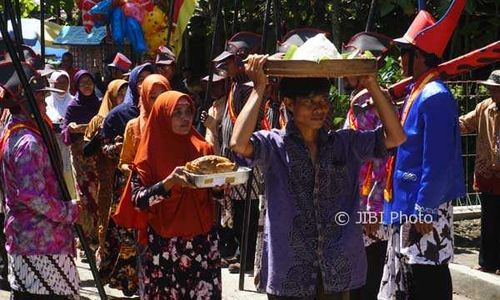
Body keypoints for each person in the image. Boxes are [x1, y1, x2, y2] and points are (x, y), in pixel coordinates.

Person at [231, 55, 406, 299]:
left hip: (335, 271)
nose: (319, 108)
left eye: (323, 100)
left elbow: (396, 137)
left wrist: (371, 85)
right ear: (289, 104)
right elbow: (238, 144)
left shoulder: (345, 143)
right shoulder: (274, 145)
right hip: (290, 271)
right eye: (309, 101)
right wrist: (259, 87)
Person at [378, 1, 466, 299]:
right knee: (411, 276)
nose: (400, 58)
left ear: (419, 56)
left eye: (405, 52)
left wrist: (424, 209)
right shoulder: (419, 90)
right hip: (409, 203)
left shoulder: (435, 95)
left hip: (424, 206)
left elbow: (437, 162)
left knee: (428, 275)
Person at [114, 91, 223, 299]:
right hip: (164, 247)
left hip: (202, 243)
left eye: (188, 112)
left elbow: (216, 196)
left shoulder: (203, 149)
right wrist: (168, 183)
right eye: (177, 113)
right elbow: (138, 200)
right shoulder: (149, 155)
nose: (185, 118)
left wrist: (219, 186)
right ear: (162, 116)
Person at [0, 61, 81, 299]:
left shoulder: (21, 133)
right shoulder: (28, 143)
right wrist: (70, 211)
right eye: (40, 97)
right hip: (40, 244)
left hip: (36, 242)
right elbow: (32, 196)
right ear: (26, 104)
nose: (45, 102)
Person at [97, 74, 170, 295]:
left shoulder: (174, 124)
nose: (156, 101)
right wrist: (141, 174)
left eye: (162, 96)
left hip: (168, 199)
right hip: (141, 196)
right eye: (152, 96)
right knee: (140, 247)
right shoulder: (133, 125)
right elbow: (124, 163)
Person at [342, 32, 394, 300]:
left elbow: (381, 158)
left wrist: (372, 210)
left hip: (369, 206)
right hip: (359, 202)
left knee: (366, 276)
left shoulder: (369, 102)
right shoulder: (363, 100)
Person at [213, 32, 263, 273]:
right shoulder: (235, 86)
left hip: (247, 159)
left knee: (248, 210)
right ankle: (240, 251)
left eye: (229, 62)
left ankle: (247, 256)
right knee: (236, 208)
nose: (225, 67)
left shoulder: (248, 89)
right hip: (233, 159)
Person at [459, 69, 500, 275]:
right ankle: (487, 262)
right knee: (489, 219)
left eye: (497, 90)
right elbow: (464, 123)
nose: (493, 94)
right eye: (491, 90)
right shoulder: (484, 107)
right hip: (488, 173)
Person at [84, 79, 127, 260]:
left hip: (125, 177)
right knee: (105, 215)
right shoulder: (99, 120)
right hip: (106, 177)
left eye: (127, 94)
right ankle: (103, 255)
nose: (124, 98)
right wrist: (102, 137)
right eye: (120, 95)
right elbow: (86, 150)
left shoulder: (130, 116)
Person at [62, 70, 101, 250]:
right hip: (81, 161)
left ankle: (99, 234)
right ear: (77, 85)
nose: (87, 85)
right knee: (85, 197)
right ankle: (86, 237)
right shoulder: (73, 106)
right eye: (83, 82)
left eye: (89, 82)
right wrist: (71, 129)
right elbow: (65, 131)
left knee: (99, 196)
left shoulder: (100, 104)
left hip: (98, 159)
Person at [45, 70, 77, 198]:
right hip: (52, 144)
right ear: (52, 85)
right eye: (58, 83)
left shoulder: (74, 101)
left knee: (70, 175)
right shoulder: (46, 102)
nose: (62, 86)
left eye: (65, 82)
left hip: (69, 146)